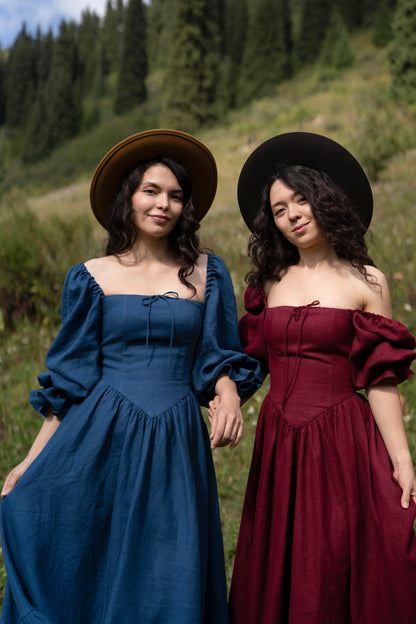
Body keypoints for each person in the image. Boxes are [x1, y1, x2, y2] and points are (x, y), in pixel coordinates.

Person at [0, 129, 262, 624]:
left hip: (175, 438)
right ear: (129, 198)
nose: (164, 204)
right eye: (152, 191)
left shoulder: (207, 272)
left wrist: (227, 392)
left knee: (170, 563)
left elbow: (218, 354)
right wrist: (31, 462)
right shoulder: (91, 275)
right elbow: (71, 380)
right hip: (101, 436)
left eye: (176, 196)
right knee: (94, 556)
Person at [215, 132, 416, 623]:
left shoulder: (367, 280)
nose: (293, 215)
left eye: (301, 199)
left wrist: (403, 459)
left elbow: (381, 380)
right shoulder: (271, 282)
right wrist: (226, 395)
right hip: (280, 444)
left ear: (324, 198)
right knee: (282, 561)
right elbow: (249, 364)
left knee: (342, 556)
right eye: (280, 209)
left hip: (345, 440)